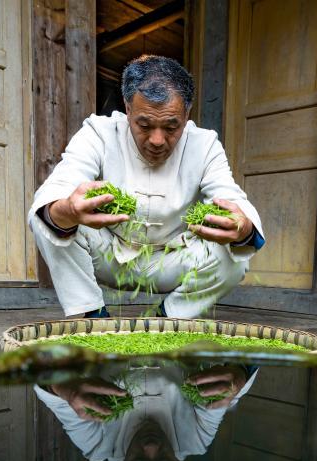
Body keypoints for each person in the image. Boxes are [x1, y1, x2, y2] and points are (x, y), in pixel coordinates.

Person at [28, 55, 265, 319]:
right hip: (109, 256)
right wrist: (69, 210)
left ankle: (167, 318)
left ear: (186, 115)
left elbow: (231, 198)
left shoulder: (204, 145)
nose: (157, 140)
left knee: (235, 256)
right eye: (144, 125)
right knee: (48, 215)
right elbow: (58, 189)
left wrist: (241, 226)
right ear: (128, 109)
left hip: (174, 259)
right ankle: (92, 317)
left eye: (171, 126)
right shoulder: (98, 133)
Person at [35, 363, 257, 461]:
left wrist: (63, 388)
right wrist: (237, 377)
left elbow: (49, 390)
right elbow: (226, 393)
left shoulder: (97, 445)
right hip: (177, 324)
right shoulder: (196, 439)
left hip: (107, 324)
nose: (151, 447)